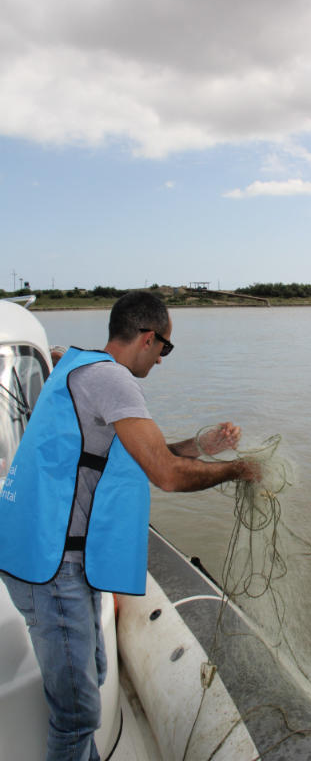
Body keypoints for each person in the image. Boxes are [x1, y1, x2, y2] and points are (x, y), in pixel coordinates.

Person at [0, 291, 259, 761]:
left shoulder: (79, 365)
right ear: (147, 338)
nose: (162, 360)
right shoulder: (114, 381)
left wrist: (204, 445)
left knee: (94, 672)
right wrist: (239, 470)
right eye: (165, 348)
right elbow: (165, 473)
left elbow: (139, 456)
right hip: (52, 564)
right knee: (78, 713)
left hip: (46, 552)